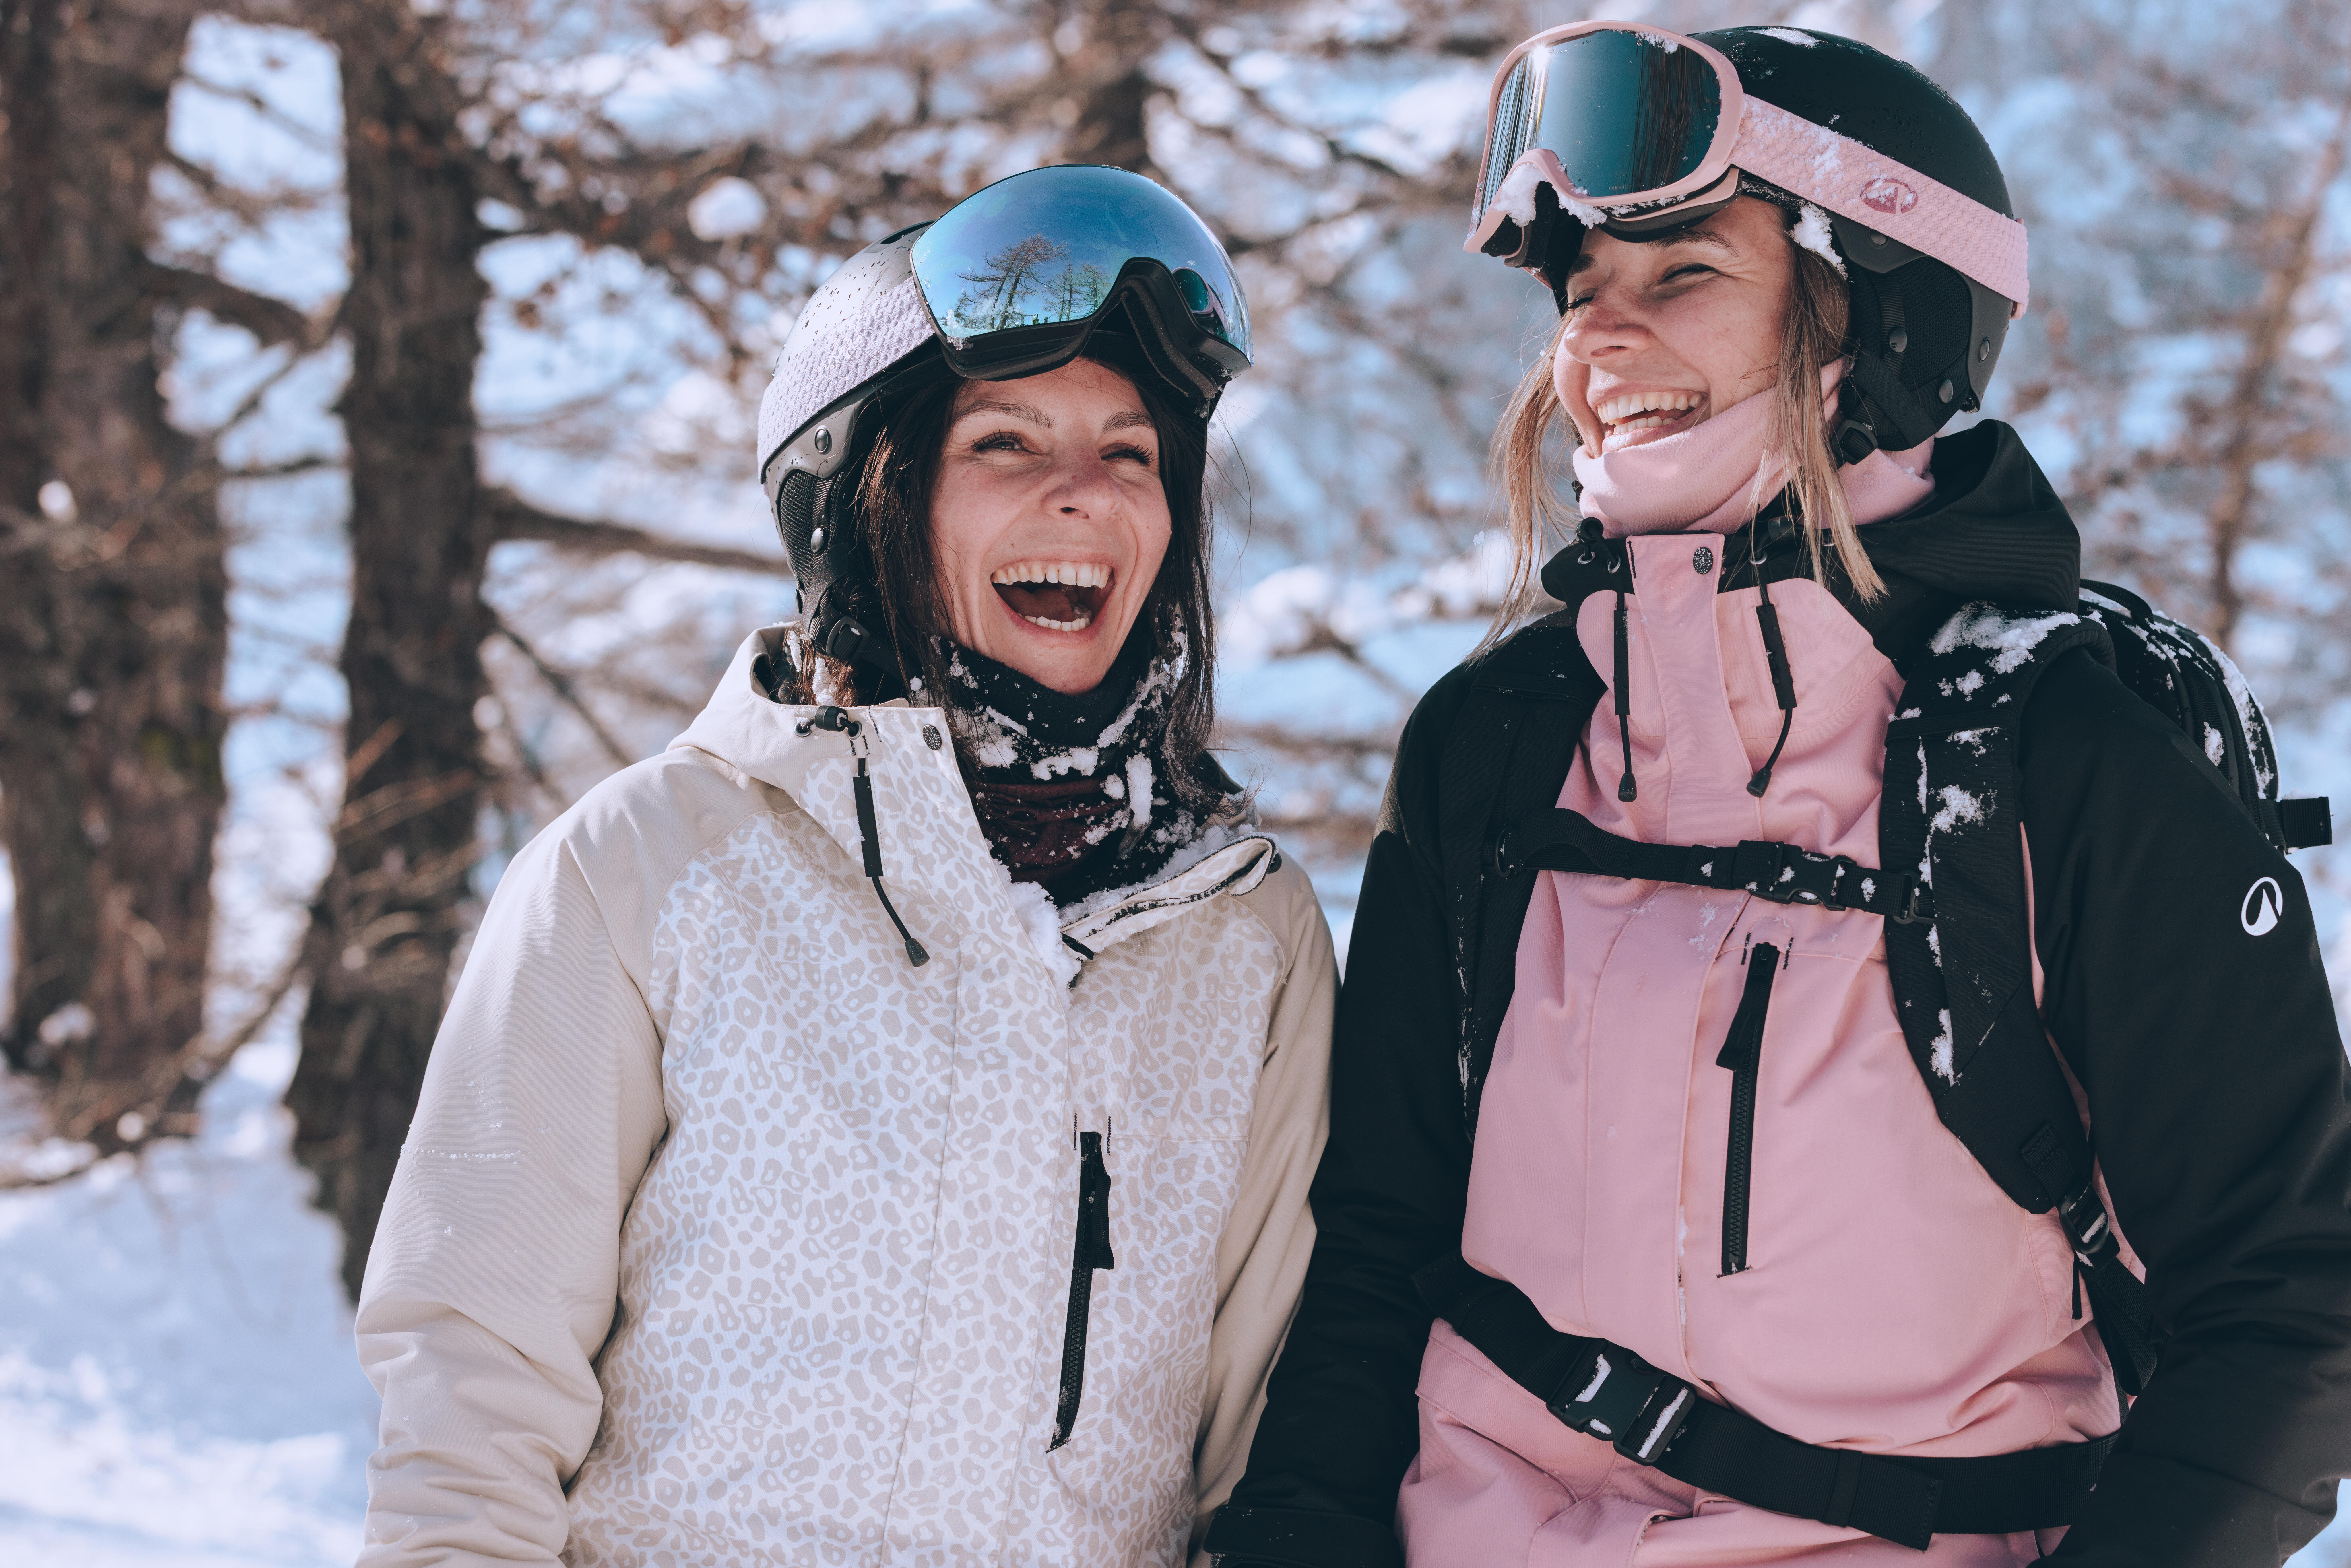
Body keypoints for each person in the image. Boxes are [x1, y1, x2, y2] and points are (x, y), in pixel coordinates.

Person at [1206, 24, 2351, 1568]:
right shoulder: (1495, 742)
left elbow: (2290, 1303)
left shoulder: (2055, 758)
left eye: (1680, 276)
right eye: (1579, 294)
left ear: (1870, 328)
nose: (1601, 347)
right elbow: (1379, 1242)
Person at [353, 164, 1336, 1568]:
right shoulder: (648, 870)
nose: (1083, 495)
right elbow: (472, 1399)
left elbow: (1268, 1440)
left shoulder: (1243, 937)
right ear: (863, 501)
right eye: (1005, 443)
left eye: (1131, 454)